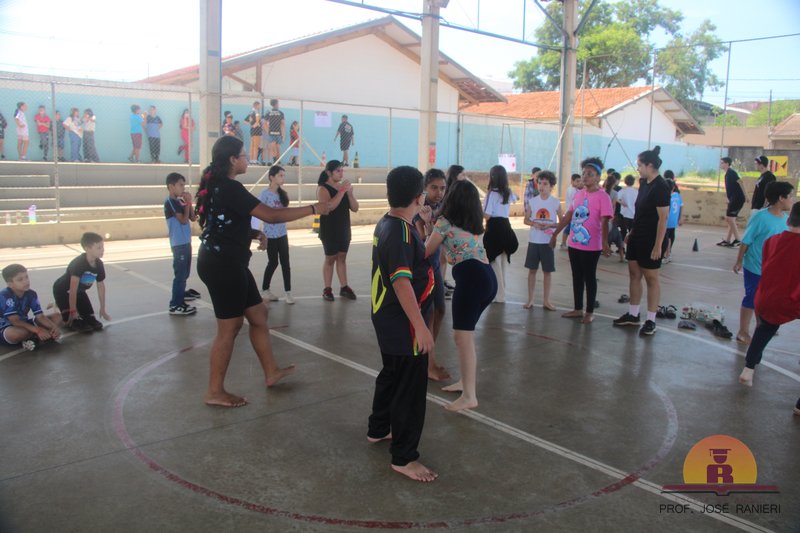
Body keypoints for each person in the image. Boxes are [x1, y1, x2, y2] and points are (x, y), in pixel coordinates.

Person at [194, 135, 328, 408]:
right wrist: (314, 208)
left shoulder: (220, 185)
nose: (247, 159)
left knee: (258, 314)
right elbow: (272, 215)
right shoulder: (229, 187)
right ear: (233, 159)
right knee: (229, 328)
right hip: (222, 265)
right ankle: (214, 391)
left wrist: (253, 233)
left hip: (228, 261)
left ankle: (271, 372)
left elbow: (222, 223)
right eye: (244, 155)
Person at [368, 165, 437, 483]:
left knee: (391, 375)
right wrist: (420, 326)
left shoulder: (389, 223)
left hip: (388, 318)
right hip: (403, 321)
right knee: (410, 389)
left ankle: (379, 428)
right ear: (419, 197)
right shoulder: (401, 233)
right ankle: (404, 457)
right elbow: (401, 282)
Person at [423, 179, 497, 412]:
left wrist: (426, 225)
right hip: (487, 277)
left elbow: (426, 250)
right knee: (466, 336)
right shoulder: (472, 224)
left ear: (451, 199)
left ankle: (469, 396)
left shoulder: (445, 222)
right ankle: (465, 383)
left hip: (471, 278)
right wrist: (430, 227)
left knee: (462, 337)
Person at [737, 202, 800, 389]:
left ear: (788, 220)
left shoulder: (772, 241)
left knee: (764, 329)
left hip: (768, 298)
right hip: (794, 299)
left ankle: (748, 369)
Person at [613, 146, 670, 335]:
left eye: (640, 165)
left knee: (651, 279)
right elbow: (640, 211)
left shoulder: (661, 187)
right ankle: (633, 314)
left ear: (650, 165)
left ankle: (651, 320)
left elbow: (663, 219)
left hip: (651, 240)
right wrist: (632, 232)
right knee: (634, 274)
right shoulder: (644, 183)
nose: (637, 168)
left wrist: (658, 245)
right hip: (637, 236)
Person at [549, 158, 612, 324]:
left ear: (598, 177)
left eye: (590, 174)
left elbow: (605, 222)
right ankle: (578, 309)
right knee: (576, 276)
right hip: (574, 244)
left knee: (589, 277)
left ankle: (589, 311)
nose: (585, 176)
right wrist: (555, 234)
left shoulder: (603, 197)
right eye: (583, 173)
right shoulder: (579, 194)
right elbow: (568, 217)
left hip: (591, 246)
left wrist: (605, 242)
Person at [732, 181, 794, 345]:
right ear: (781, 198)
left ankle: (762, 325)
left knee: (766, 298)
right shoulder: (760, 217)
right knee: (752, 298)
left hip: (772, 270)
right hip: (755, 266)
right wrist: (739, 260)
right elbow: (746, 240)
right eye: (790, 196)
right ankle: (743, 331)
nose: (792, 200)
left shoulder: (786, 220)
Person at [412, 168, 450, 381]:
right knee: (429, 312)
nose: (439, 192)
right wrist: (428, 223)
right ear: (425, 188)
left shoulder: (441, 209)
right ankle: (428, 362)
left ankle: (427, 353)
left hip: (435, 266)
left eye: (442, 188)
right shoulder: (420, 210)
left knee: (441, 310)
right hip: (422, 269)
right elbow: (422, 242)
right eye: (434, 188)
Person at [317, 159, 359, 301]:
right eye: (338, 171)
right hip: (329, 230)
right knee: (330, 259)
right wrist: (341, 191)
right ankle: (327, 289)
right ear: (329, 173)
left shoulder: (343, 189)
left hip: (344, 229)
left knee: (342, 257)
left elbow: (355, 208)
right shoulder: (323, 189)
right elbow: (329, 207)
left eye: (342, 170)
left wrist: (350, 194)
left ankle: (344, 287)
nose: (341, 173)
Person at [52, 232, 111, 333]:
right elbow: (72, 290)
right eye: (99, 248)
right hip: (63, 291)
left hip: (80, 291)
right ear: (87, 249)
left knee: (90, 319)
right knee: (71, 320)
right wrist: (73, 311)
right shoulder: (78, 264)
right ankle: (60, 307)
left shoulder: (99, 264)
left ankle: (74, 312)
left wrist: (102, 308)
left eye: (103, 247)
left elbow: (101, 286)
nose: (102, 250)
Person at [1, 264, 61, 351]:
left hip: (24, 323)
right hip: (7, 327)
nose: (26, 281)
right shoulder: (4, 295)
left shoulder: (31, 294)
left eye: (26, 277)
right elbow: (15, 321)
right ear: (10, 284)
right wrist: (38, 330)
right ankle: (38, 336)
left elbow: (40, 316)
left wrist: (54, 327)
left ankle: (35, 338)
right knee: (18, 333)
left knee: (57, 316)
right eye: (20, 279)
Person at [524, 170, 561, 310]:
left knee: (547, 272)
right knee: (532, 270)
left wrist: (550, 226)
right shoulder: (533, 201)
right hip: (534, 241)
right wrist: (534, 223)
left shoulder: (555, 202)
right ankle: (530, 299)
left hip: (547, 242)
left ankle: (546, 300)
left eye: (545, 184)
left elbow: (561, 222)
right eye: (539, 183)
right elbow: (526, 220)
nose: (541, 186)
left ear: (551, 186)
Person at [164, 172, 199, 316]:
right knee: (180, 274)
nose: (183, 188)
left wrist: (189, 203)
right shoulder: (170, 202)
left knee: (185, 272)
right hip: (179, 244)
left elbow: (192, 218)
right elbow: (183, 220)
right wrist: (187, 204)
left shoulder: (180, 201)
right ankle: (175, 304)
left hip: (185, 242)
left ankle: (180, 293)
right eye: (180, 185)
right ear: (171, 186)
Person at [258, 165, 294, 304]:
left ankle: (288, 292)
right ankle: (265, 289)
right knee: (273, 262)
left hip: (282, 233)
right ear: (272, 177)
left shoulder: (283, 195)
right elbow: (259, 212)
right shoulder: (264, 194)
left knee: (285, 262)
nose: (283, 178)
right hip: (270, 235)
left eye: (283, 175)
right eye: (280, 175)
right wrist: (260, 233)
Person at [483, 165, 518, 303]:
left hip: (494, 230)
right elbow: (516, 198)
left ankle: (499, 295)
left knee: (494, 263)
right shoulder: (508, 192)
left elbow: (487, 215)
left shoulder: (492, 194)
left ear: (492, 177)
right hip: (506, 228)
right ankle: (502, 293)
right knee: (502, 263)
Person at [718, 157, 746, 247]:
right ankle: (728, 240)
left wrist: (746, 195)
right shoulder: (727, 174)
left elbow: (740, 182)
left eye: (722, 163)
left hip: (737, 198)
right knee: (731, 219)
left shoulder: (731, 172)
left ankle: (738, 239)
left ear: (727, 164)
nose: (720, 164)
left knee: (729, 218)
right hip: (733, 198)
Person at [604, 173, 624, 262]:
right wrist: (611, 218)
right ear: (614, 183)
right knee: (617, 237)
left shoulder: (601, 191)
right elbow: (613, 206)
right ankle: (622, 257)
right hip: (609, 217)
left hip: (600, 217)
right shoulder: (615, 193)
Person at [560, 173, 583, 248]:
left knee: (571, 228)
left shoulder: (574, 189)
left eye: (580, 181)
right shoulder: (572, 190)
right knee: (569, 228)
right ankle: (563, 243)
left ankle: (566, 242)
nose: (579, 183)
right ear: (572, 181)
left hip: (573, 212)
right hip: (571, 213)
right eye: (577, 181)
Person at [663, 178, 683, 263]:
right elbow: (681, 206)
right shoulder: (677, 195)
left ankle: (666, 255)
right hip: (674, 221)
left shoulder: (667, 197)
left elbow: (666, 210)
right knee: (671, 237)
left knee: (666, 238)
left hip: (667, 221)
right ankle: (668, 254)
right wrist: (680, 218)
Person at [618, 174, 637, 243]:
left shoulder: (623, 191)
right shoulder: (636, 191)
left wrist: (621, 202)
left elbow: (616, 198)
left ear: (625, 182)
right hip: (634, 213)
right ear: (633, 182)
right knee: (632, 231)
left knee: (624, 230)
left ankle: (623, 245)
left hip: (624, 213)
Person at [265, 99, 285, 165]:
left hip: (273, 133)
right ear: (276, 104)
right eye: (278, 103)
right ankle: (277, 161)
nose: (278, 105)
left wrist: (268, 131)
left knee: (274, 148)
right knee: (276, 148)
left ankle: (276, 161)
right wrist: (283, 135)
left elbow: (264, 124)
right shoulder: (280, 113)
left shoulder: (268, 113)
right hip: (277, 133)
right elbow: (282, 124)